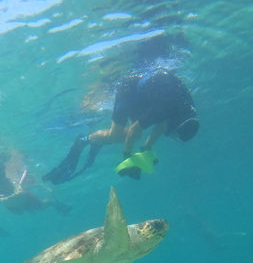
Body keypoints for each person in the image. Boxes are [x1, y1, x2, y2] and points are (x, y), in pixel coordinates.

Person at [43, 69, 199, 184]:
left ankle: (96, 140)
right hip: (129, 90)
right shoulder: (163, 109)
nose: (172, 135)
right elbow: (134, 131)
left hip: (148, 95)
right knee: (119, 136)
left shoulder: (187, 110)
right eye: (175, 135)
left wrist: (147, 148)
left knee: (135, 136)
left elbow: (163, 125)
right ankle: (84, 140)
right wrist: (127, 156)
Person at [0, 156, 71, 216]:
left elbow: (20, 192)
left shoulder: (10, 182)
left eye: (1, 173)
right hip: (17, 205)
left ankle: (56, 203)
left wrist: (6, 199)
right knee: (19, 213)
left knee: (42, 206)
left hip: (27, 200)